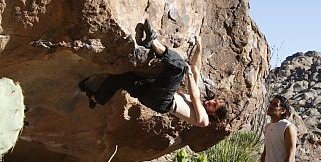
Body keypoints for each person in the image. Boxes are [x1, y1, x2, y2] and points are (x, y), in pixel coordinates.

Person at [79, 18, 227, 127]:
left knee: (179, 67)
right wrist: (199, 48)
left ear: (214, 114)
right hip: (152, 95)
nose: (211, 102)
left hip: (162, 101)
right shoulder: (200, 104)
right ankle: (97, 98)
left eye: (214, 106)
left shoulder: (204, 121)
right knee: (123, 77)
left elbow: (195, 96)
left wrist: (187, 74)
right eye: (215, 101)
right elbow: (196, 68)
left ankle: (153, 42)